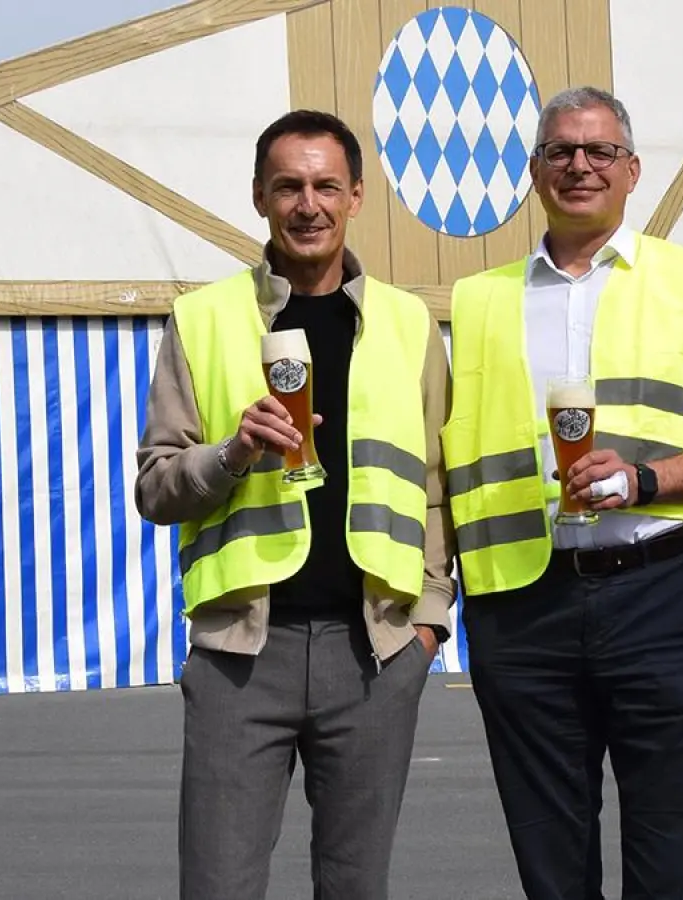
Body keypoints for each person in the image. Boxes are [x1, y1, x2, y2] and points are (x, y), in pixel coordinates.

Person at [443, 85, 683, 899]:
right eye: (560, 150)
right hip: (522, 607)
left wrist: (644, 480)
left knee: (665, 866)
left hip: (663, 595)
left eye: (599, 151)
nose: (579, 165)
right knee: (551, 871)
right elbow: (446, 458)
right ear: (534, 172)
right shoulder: (478, 300)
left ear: (632, 171)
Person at [134, 109, 455, 900]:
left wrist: (428, 623)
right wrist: (233, 453)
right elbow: (156, 487)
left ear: (354, 197)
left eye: (323, 186)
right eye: (287, 187)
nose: (306, 204)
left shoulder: (409, 323)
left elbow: (437, 487)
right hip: (244, 654)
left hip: (374, 652)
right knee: (218, 884)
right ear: (258, 198)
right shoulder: (203, 319)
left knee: (355, 886)